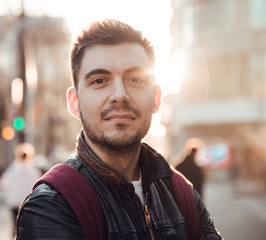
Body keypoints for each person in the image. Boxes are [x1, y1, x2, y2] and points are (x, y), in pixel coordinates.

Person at [15, 19, 222, 240]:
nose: (119, 95)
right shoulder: (51, 206)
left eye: (135, 79)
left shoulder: (183, 194)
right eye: (100, 80)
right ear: (75, 102)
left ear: (156, 98)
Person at [0, 142, 41, 236]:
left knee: (15, 227)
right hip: (27, 203)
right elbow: (37, 186)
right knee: (26, 227)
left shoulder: (12, 169)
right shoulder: (33, 171)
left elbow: (3, 184)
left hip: (13, 202)